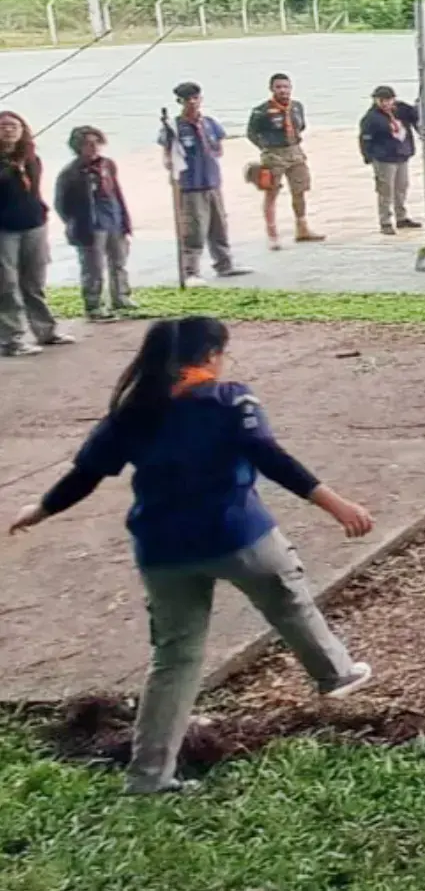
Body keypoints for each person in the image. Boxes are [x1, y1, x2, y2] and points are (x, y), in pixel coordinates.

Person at [8, 317, 375, 795]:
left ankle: (149, 776)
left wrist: (40, 510)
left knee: (174, 660)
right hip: (237, 535)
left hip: (162, 549)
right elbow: (270, 457)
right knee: (287, 597)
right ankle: (334, 672)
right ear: (210, 355)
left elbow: (85, 474)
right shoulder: (229, 400)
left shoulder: (132, 411)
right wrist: (337, 504)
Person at [160, 83, 250, 286]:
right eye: (187, 99)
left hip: (212, 181)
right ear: (180, 102)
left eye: (195, 98)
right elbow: (167, 155)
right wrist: (171, 165)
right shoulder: (174, 127)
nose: (192, 103)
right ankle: (190, 271)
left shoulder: (209, 123)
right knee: (194, 228)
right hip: (190, 185)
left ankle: (224, 264)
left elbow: (218, 146)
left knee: (219, 225)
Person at [0, 111, 73, 358]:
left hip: (32, 224)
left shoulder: (31, 159)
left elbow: (34, 190)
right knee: (7, 285)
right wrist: (9, 170)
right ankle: (12, 339)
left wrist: (42, 213)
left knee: (34, 282)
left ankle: (46, 331)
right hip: (4, 230)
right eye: (4, 126)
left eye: (14, 126)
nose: (9, 130)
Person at [54, 126, 136, 321]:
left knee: (119, 262)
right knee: (93, 267)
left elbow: (117, 192)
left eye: (97, 143)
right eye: (88, 144)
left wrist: (125, 220)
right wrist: (75, 223)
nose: (94, 148)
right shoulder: (71, 172)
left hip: (113, 218)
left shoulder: (107, 165)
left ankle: (121, 297)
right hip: (90, 224)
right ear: (78, 147)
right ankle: (94, 305)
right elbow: (61, 204)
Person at [245, 73, 324, 251]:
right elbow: (251, 133)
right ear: (271, 89)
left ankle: (302, 228)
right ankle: (272, 235)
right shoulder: (261, 111)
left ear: (291, 88)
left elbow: (301, 126)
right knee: (271, 193)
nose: (283, 90)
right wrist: (265, 148)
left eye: (286, 87)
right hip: (273, 154)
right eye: (278, 87)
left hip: (295, 151)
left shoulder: (297, 107)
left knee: (300, 189)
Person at [359, 86, 422, 235]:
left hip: (402, 155)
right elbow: (365, 139)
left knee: (402, 187)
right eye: (382, 100)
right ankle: (385, 221)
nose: (385, 103)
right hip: (384, 158)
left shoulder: (400, 111)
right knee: (385, 190)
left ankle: (402, 216)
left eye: (388, 100)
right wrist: (368, 156)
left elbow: (416, 115)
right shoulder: (371, 118)